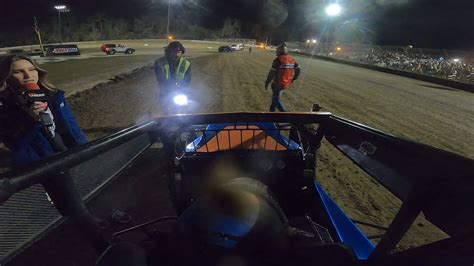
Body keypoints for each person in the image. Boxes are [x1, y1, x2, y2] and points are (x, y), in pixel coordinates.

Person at [0, 54, 109, 250]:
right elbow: (14, 142)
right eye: (18, 71)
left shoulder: (52, 94)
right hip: (43, 163)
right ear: (6, 77)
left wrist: (83, 146)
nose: (28, 76)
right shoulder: (4, 105)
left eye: (31, 69)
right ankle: (103, 247)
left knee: (71, 202)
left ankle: (76, 218)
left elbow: (69, 125)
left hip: (67, 154)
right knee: (75, 207)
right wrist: (30, 119)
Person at [154, 41, 192, 114]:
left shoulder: (186, 64)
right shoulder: (160, 62)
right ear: (169, 52)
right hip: (166, 92)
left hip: (180, 91)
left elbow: (187, 79)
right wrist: (171, 86)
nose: (176, 54)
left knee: (182, 111)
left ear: (182, 52)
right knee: (167, 112)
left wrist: (181, 86)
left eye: (179, 52)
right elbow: (160, 78)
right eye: (174, 52)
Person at [264, 44, 300, 112]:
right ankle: (271, 112)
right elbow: (298, 69)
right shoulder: (291, 59)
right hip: (285, 83)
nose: (276, 52)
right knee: (275, 98)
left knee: (276, 100)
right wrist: (294, 78)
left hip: (277, 84)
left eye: (277, 51)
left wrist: (267, 82)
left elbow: (271, 73)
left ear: (280, 51)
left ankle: (286, 116)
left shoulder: (278, 60)